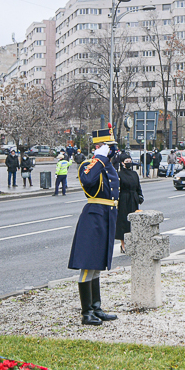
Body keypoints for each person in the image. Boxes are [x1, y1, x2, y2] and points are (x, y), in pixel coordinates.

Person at [67, 130, 121, 327]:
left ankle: (96, 307)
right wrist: (98, 158)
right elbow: (89, 181)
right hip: (93, 217)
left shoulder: (108, 166)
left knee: (97, 264)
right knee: (87, 264)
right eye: (109, 146)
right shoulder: (88, 165)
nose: (113, 150)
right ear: (100, 147)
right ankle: (86, 312)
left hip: (107, 217)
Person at [116, 156, 143, 254]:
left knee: (133, 221)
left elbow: (138, 186)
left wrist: (140, 195)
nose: (129, 163)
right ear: (122, 163)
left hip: (133, 199)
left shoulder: (134, 174)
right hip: (123, 199)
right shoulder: (119, 174)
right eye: (127, 161)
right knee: (123, 221)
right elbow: (117, 188)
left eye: (130, 161)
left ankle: (132, 242)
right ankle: (123, 244)